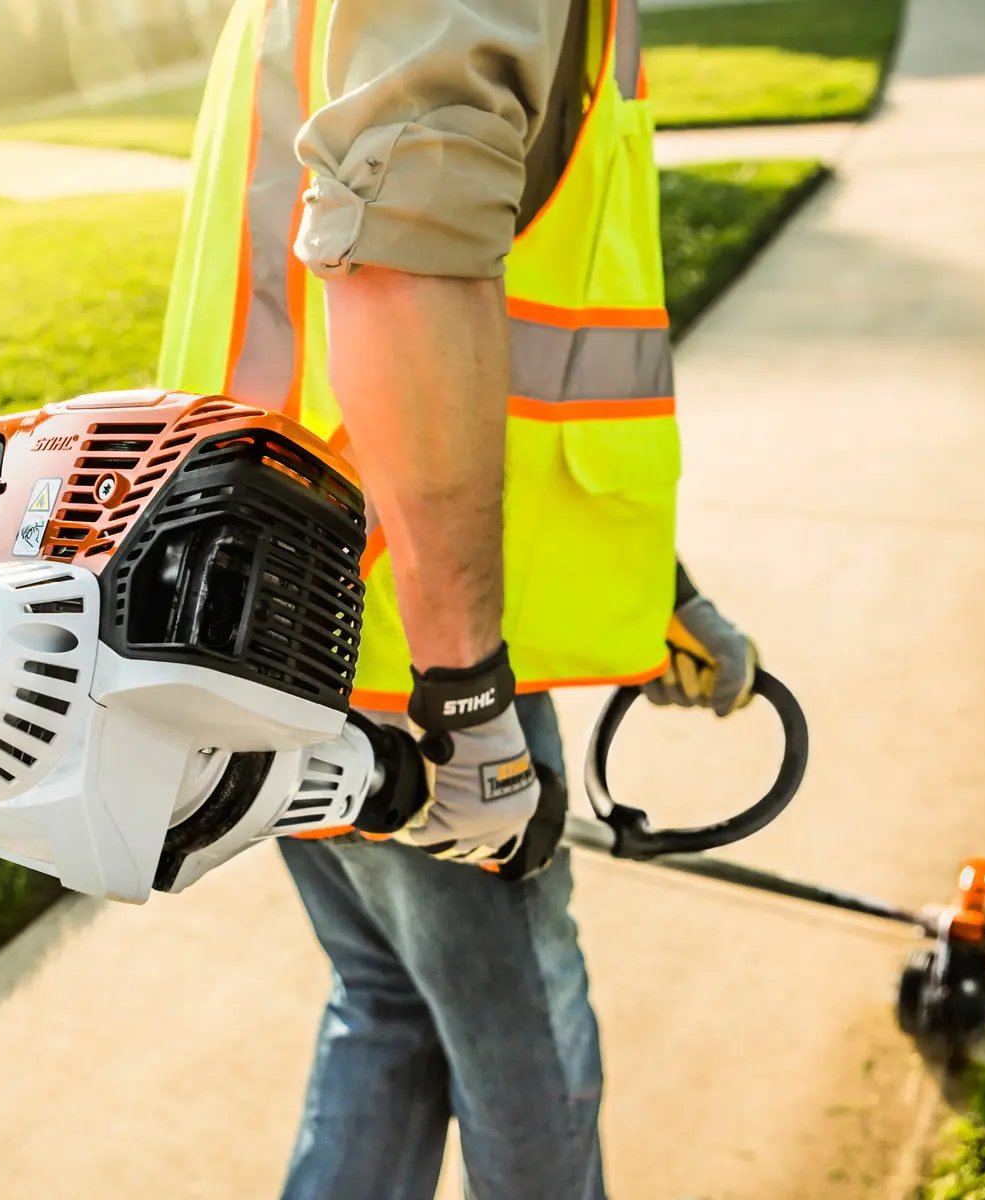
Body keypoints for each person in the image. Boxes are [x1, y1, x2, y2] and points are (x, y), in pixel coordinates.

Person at [158, 1, 758, 1195]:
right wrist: (469, 696)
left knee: (386, 1003)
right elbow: (401, 266)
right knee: (523, 1051)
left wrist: (653, 590)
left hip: (266, 608)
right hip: (407, 661)